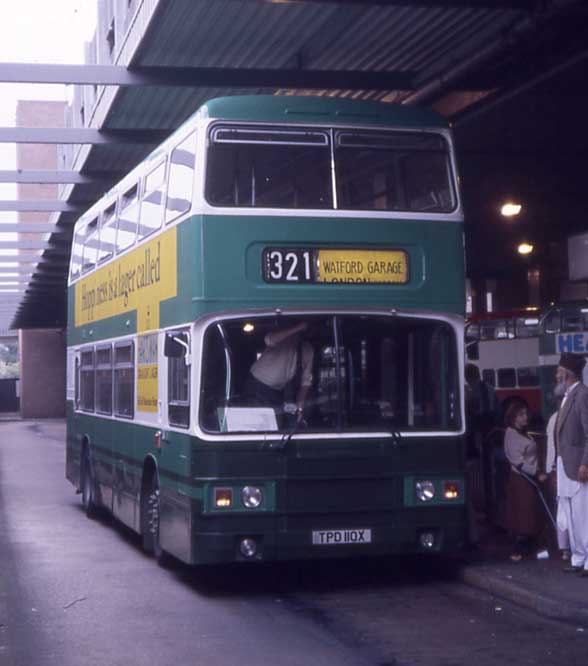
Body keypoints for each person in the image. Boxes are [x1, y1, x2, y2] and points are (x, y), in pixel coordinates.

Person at [553, 352, 588, 575]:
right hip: (566, 463)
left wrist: (586, 462)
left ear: (566, 374)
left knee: (583, 513)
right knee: (569, 512)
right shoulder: (567, 396)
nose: (556, 375)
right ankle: (578, 557)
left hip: (578, 465)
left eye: (558, 371)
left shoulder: (583, 395)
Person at [503, 401, 547, 561]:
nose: (525, 417)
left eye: (526, 414)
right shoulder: (511, 434)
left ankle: (529, 548)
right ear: (513, 418)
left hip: (529, 480)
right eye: (521, 415)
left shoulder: (524, 433)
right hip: (521, 479)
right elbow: (517, 460)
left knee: (530, 513)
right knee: (522, 514)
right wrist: (537, 473)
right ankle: (518, 550)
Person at [245, 321, 314, 420]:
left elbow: (306, 381)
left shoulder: (308, 350)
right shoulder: (283, 337)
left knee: (277, 423)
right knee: (257, 422)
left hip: (277, 391)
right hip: (257, 385)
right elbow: (269, 340)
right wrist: (298, 327)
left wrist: (300, 408)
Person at [545, 406, 570, 559]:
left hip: (557, 467)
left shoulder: (554, 418)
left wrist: (550, 469)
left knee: (562, 508)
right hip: (561, 467)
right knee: (565, 508)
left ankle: (565, 547)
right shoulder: (557, 418)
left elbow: (550, 448)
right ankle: (566, 547)